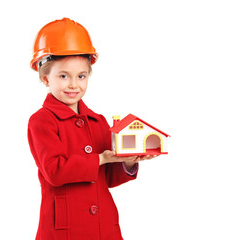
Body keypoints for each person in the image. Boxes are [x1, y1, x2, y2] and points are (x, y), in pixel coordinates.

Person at [28, 18, 156, 240]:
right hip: (65, 228)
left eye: (81, 76)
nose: (73, 84)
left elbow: (109, 177)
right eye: (63, 76)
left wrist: (128, 161)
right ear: (45, 78)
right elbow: (55, 171)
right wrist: (101, 158)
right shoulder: (42, 121)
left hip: (103, 225)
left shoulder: (97, 121)